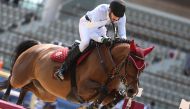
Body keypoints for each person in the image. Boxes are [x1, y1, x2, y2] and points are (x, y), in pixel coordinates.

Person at [55, 0, 127, 80]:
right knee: (86, 42)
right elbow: (92, 33)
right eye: (114, 17)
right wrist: (102, 39)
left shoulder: (122, 16)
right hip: (87, 24)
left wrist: (123, 43)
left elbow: (122, 34)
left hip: (101, 27)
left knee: (106, 47)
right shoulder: (100, 10)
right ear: (110, 10)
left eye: (118, 18)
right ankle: (63, 68)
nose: (116, 19)